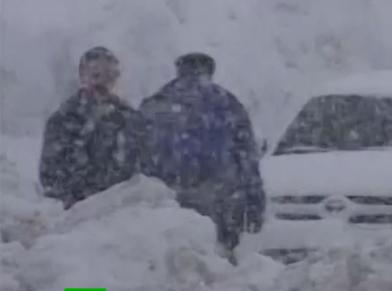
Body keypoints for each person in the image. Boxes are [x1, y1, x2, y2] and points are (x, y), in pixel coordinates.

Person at [140, 52, 265, 265]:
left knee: (163, 265)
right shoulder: (227, 103)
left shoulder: (155, 104)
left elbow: (138, 158)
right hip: (219, 203)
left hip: (166, 204)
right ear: (210, 71)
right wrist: (255, 202)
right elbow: (246, 158)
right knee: (217, 268)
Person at [39, 46, 149, 210]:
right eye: (96, 75)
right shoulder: (64, 119)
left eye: (110, 75)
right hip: (77, 214)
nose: (103, 82)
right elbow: (51, 176)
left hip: (125, 212)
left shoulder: (129, 118)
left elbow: (143, 166)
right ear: (83, 76)